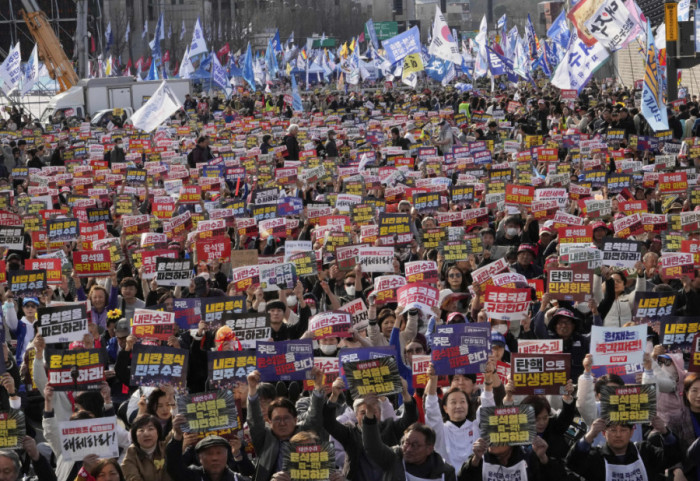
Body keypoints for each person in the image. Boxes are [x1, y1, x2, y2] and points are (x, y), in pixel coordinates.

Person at [566, 416, 680, 481]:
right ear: (604, 433)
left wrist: (665, 432)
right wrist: (589, 436)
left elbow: (672, 457)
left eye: (623, 430)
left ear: (631, 433)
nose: (618, 435)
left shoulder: (644, 450)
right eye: (613, 430)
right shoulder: (596, 457)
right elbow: (573, 463)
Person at [121, 415, 171, 481]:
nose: (146, 434)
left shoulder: (165, 448)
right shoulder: (131, 453)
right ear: (135, 435)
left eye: (151, 429)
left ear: (158, 432)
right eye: (141, 430)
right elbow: (133, 478)